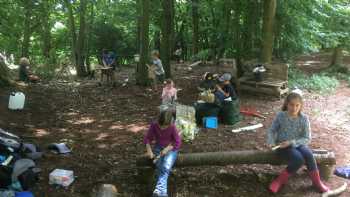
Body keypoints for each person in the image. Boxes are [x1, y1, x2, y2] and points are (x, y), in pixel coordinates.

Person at [267, 92, 329, 194]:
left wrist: (292, 142)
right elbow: (272, 130)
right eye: (291, 104)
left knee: (309, 154)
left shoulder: (304, 119)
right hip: (282, 145)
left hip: (298, 144)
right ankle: (279, 181)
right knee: (298, 159)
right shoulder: (280, 116)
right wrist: (271, 141)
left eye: (297, 105)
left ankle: (317, 183)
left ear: (301, 106)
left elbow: (307, 138)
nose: (294, 108)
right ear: (287, 104)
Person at [144, 110, 182, 197]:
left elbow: (177, 142)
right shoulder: (154, 125)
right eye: (161, 125)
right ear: (158, 120)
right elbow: (147, 139)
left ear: (169, 123)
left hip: (171, 148)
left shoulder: (172, 127)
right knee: (159, 165)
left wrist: (168, 148)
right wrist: (149, 150)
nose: (162, 128)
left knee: (166, 166)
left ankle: (159, 191)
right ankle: (161, 192)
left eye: (165, 126)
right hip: (158, 147)